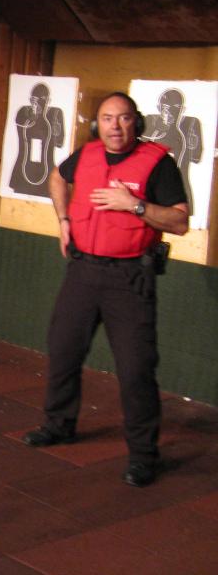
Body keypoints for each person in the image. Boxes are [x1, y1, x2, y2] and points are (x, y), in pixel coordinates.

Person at [22, 92, 189, 488]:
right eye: (108, 118)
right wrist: (63, 220)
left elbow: (179, 222)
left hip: (129, 279)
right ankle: (59, 425)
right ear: (98, 124)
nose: (116, 126)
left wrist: (134, 205)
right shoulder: (88, 154)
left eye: (124, 118)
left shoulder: (158, 163)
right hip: (82, 271)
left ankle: (144, 456)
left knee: (135, 370)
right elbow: (57, 177)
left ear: (137, 123)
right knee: (63, 350)